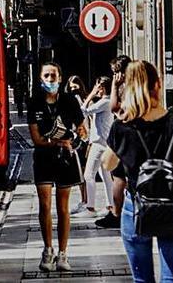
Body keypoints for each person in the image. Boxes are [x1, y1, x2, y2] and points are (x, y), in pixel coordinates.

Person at [104, 61, 173, 283]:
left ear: (128, 88)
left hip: (135, 207)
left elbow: (108, 164)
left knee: (142, 280)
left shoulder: (122, 127)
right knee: (172, 280)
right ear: (158, 85)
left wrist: (122, 126)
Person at [27, 62, 87, 272]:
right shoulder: (34, 102)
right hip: (43, 158)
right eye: (47, 75)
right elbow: (36, 138)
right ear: (41, 78)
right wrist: (56, 142)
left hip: (65, 159)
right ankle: (47, 250)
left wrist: (74, 140)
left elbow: (82, 130)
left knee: (63, 207)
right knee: (45, 205)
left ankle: (63, 254)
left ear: (60, 78)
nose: (50, 79)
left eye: (54, 76)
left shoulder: (70, 101)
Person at [95, 55, 133, 229]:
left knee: (118, 176)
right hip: (135, 133)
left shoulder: (124, 87)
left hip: (124, 133)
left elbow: (114, 108)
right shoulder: (138, 85)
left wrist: (114, 86)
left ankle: (117, 213)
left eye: (115, 72)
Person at [81, 76, 116, 218]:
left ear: (102, 88)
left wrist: (90, 95)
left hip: (99, 143)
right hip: (104, 143)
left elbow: (83, 111)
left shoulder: (104, 102)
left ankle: (90, 207)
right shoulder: (107, 102)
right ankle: (110, 205)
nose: (97, 90)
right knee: (106, 175)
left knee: (88, 174)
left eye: (98, 87)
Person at [65, 75, 91, 215]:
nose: (74, 90)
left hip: (84, 139)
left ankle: (86, 201)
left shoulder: (83, 101)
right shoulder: (73, 101)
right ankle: (85, 200)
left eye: (76, 87)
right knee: (83, 172)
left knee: (85, 172)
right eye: (71, 87)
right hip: (80, 139)